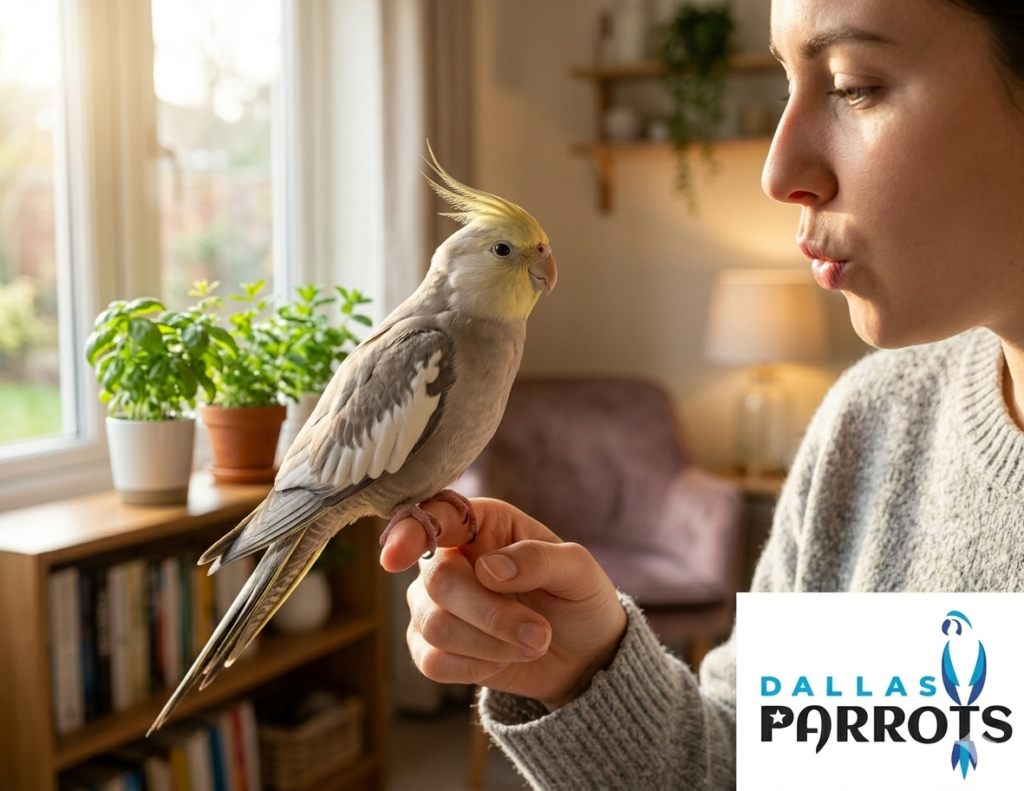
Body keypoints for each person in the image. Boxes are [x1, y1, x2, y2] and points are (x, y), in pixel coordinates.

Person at [380, 0, 1024, 787]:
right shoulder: (873, 423)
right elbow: (752, 765)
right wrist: (586, 671)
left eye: (854, 87)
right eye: (787, 79)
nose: (778, 172)